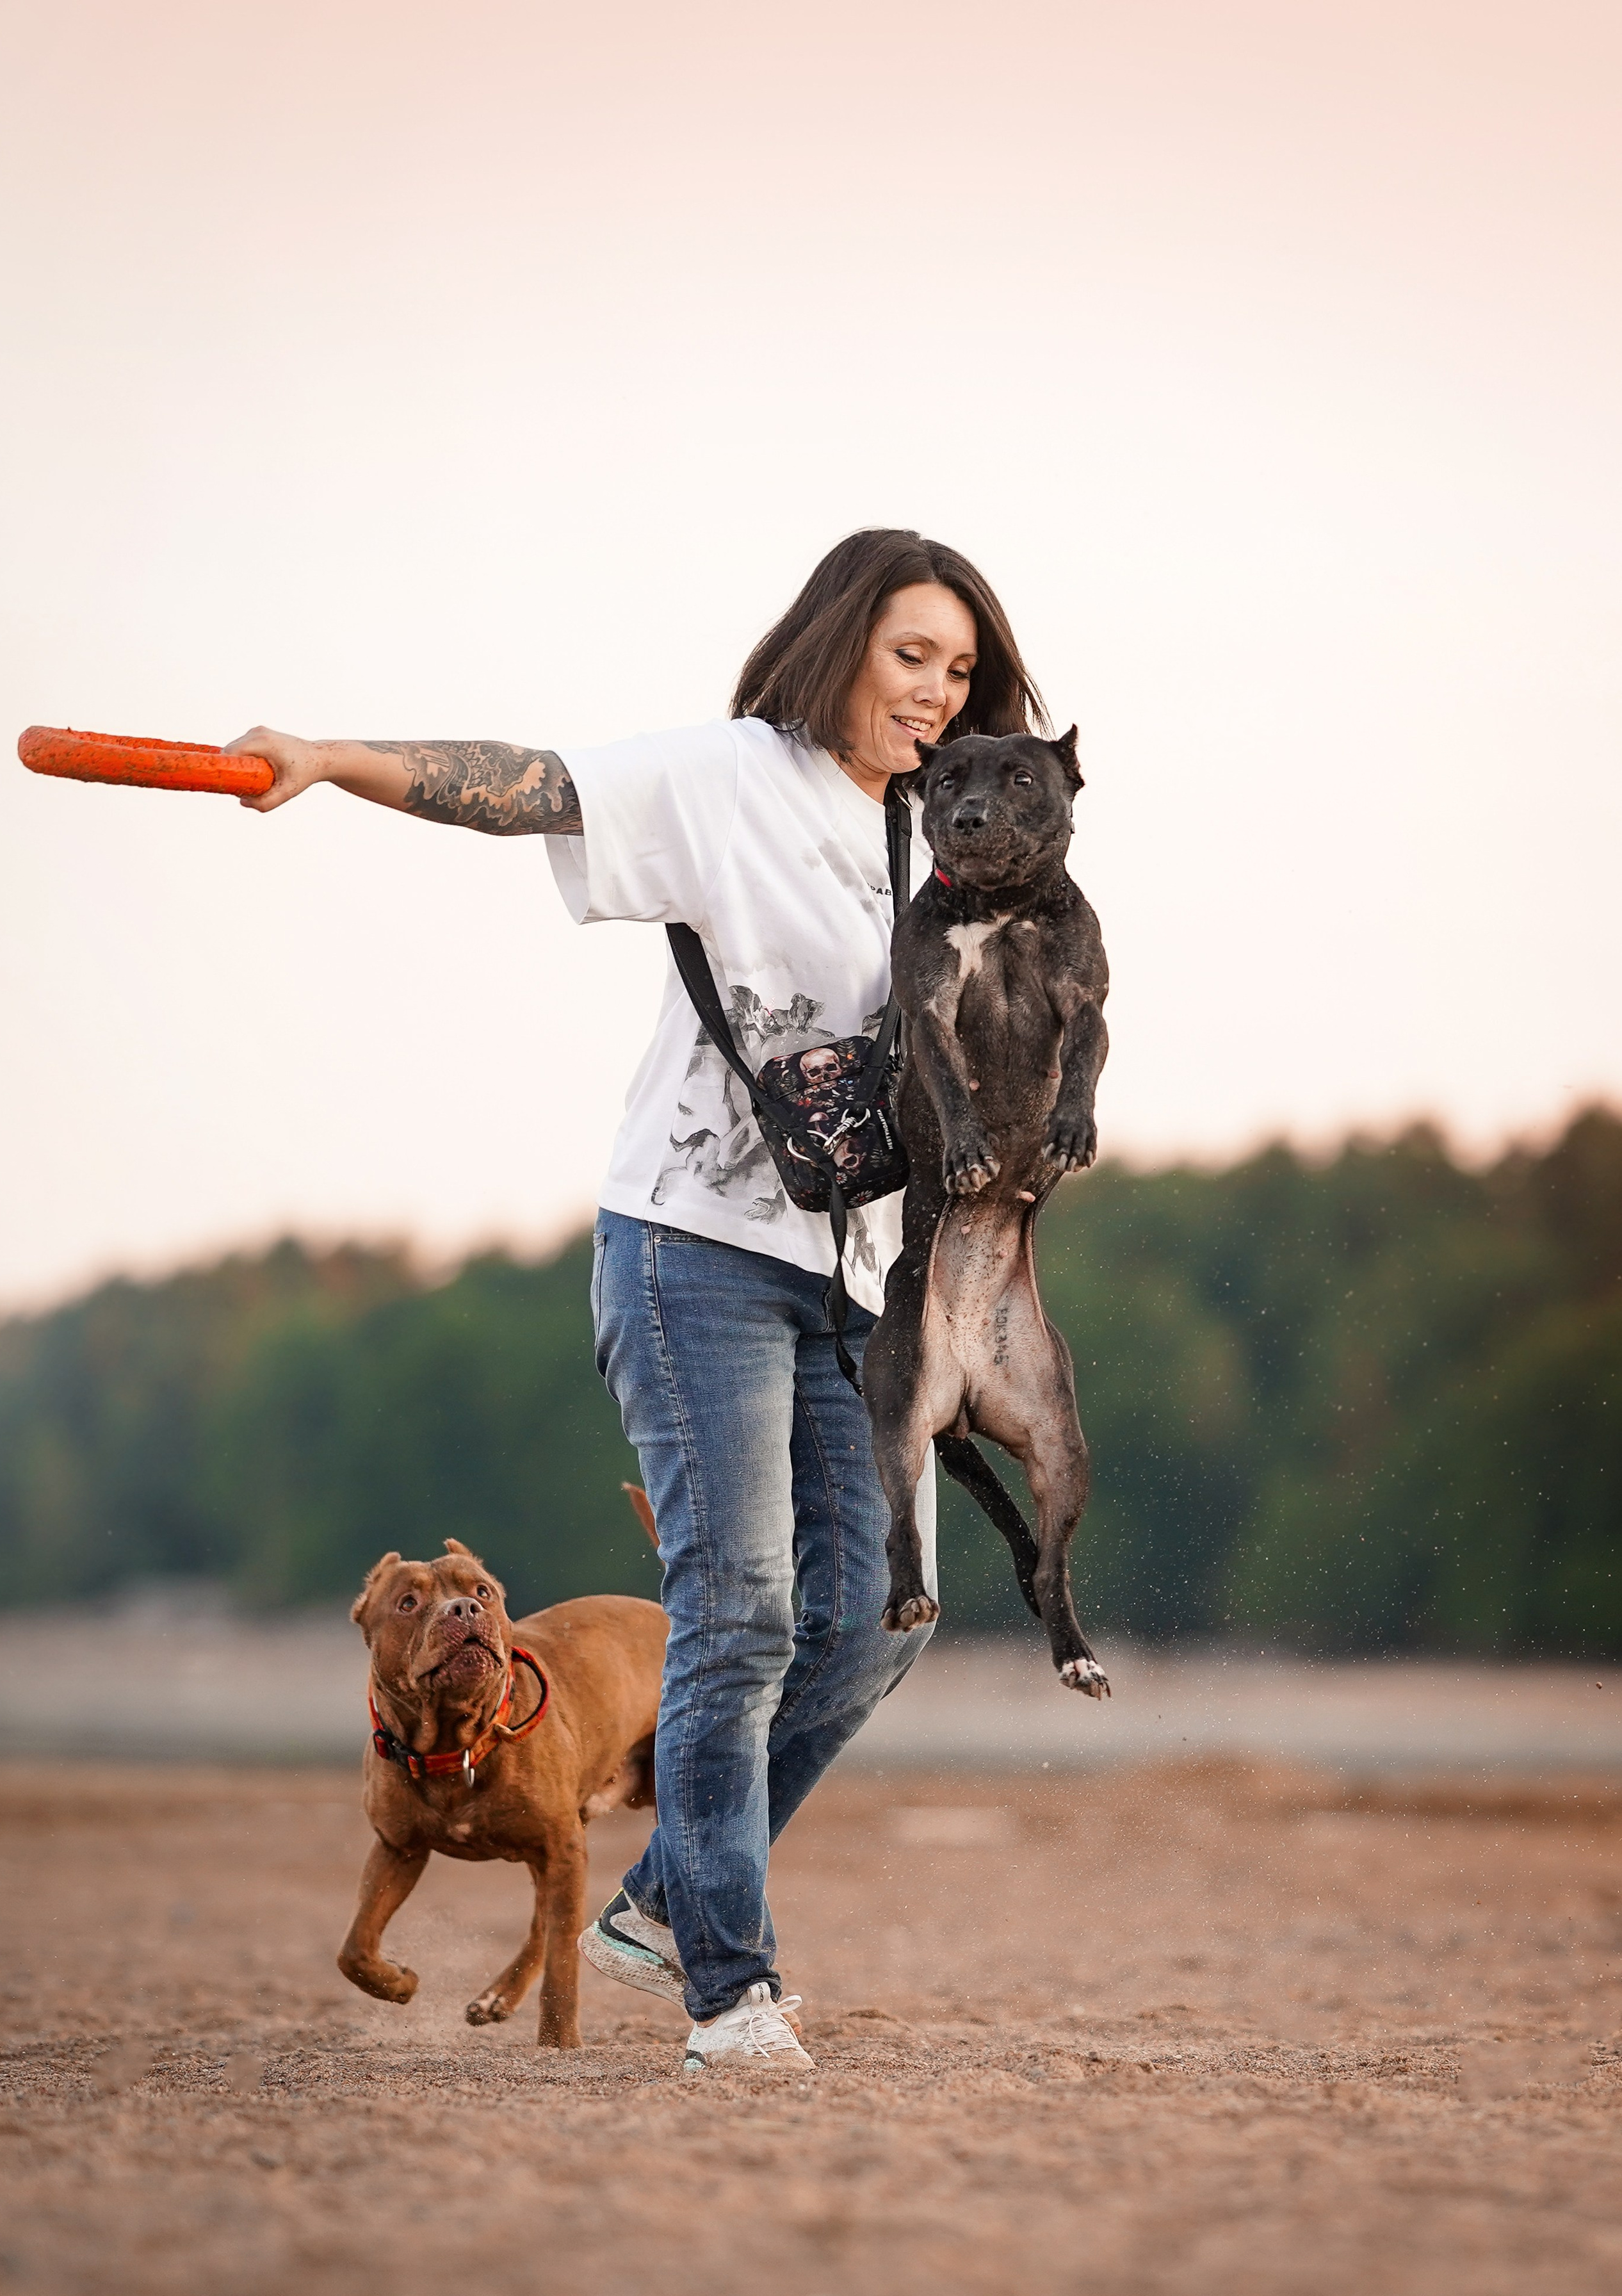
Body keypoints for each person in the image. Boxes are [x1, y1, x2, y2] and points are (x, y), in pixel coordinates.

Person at [228, 528, 1051, 2071]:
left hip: (854, 1278)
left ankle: (664, 1897)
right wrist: (332, 758)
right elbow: (533, 782)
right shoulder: (731, 779)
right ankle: (729, 1991)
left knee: (881, 1616)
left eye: (958, 668)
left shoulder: (952, 838)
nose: (934, 694)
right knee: (733, 1617)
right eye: (907, 657)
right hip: (692, 1253)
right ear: (838, 645)